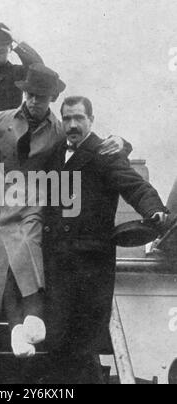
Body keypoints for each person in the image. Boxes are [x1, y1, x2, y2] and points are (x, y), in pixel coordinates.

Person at [0, 64, 129, 360]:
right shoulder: (0, 119)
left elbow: (88, 141)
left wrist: (123, 143)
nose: (33, 101)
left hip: (34, 202)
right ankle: (16, 329)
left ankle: (32, 320)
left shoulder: (59, 128)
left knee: (27, 252)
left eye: (40, 97)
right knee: (1, 263)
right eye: (29, 94)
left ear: (51, 98)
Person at [43, 96, 169, 383]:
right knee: (56, 338)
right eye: (67, 118)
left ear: (91, 120)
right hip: (56, 263)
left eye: (79, 118)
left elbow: (136, 187)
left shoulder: (106, 153)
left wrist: (155, 211)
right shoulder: (53, 152)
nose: (73, 124)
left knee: (84, 343)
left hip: (91, 265)